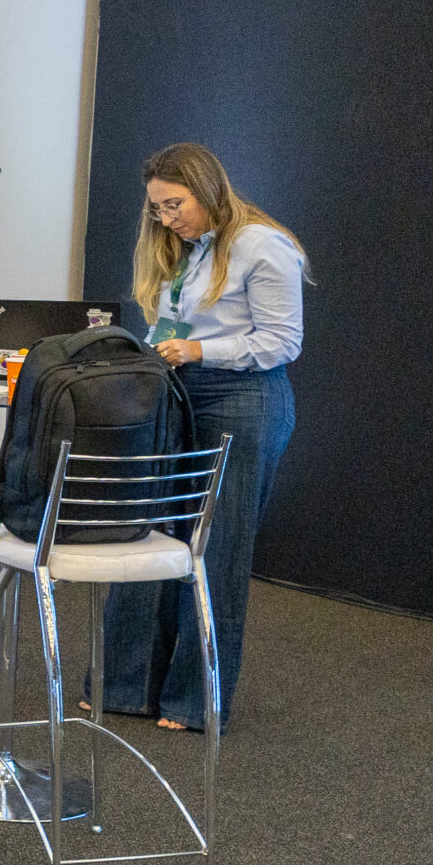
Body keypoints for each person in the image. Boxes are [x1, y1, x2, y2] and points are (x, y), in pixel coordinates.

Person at [99, 141, 308, 732]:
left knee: (215, 547)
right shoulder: (186, 250)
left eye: (175, 204)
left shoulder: (261, 245)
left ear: (208, 189)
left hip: (243, 398)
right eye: (157, 208)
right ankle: (126, 686)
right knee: (153, 532)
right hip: (179, 391)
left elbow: (282, 342)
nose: (167, 218)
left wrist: (198, 351)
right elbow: (172, 322)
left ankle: (194, 701)